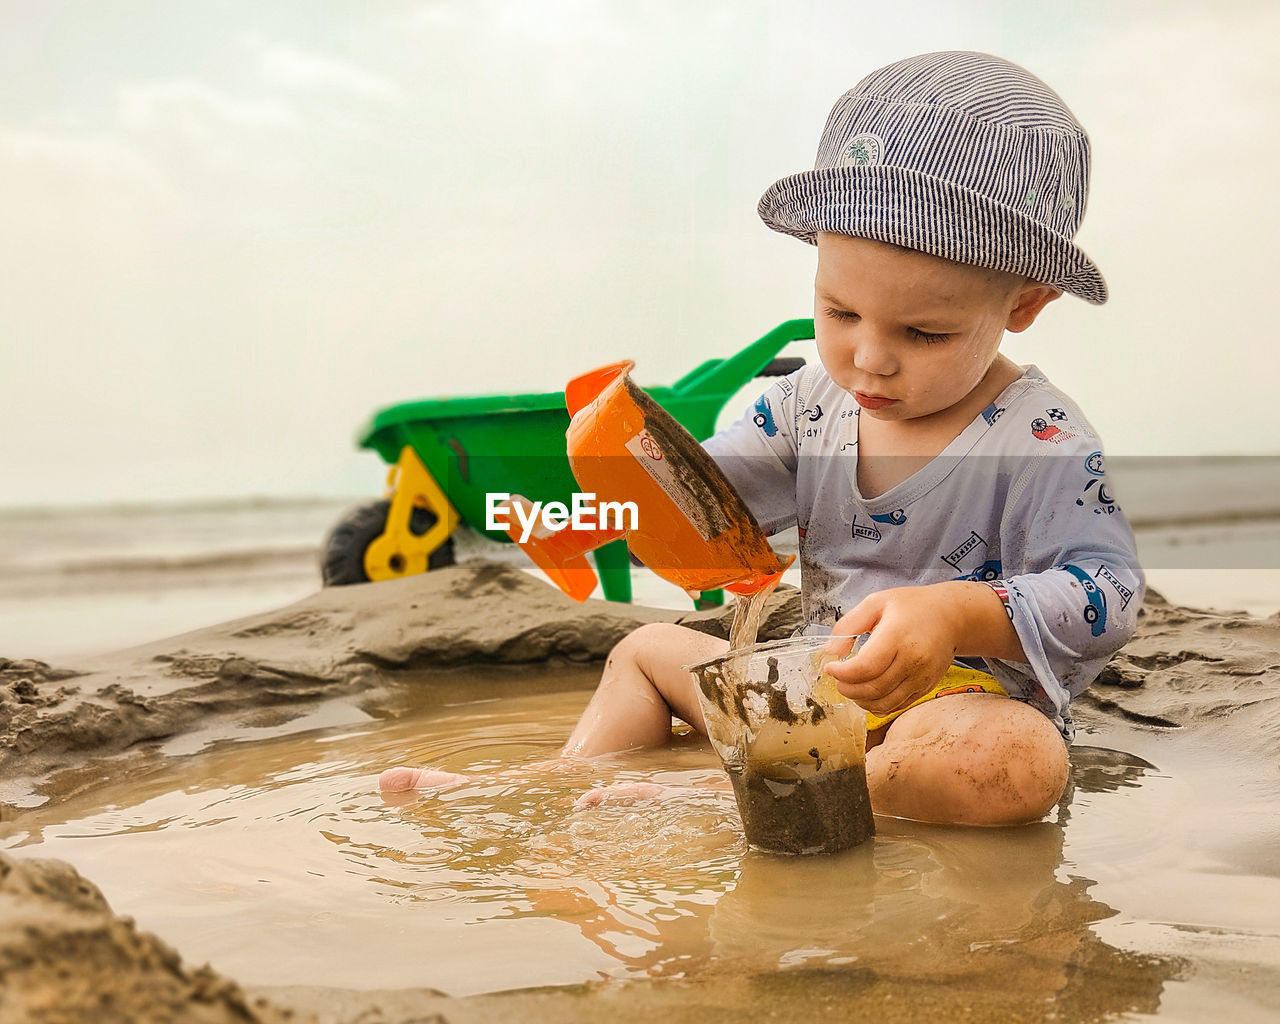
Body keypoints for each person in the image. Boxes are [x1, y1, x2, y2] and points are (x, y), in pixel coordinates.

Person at [384, 51, 1144, 827]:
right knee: (645, 651)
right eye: (841, 313)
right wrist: (629, 485)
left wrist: (956, 613)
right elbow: (712, 504)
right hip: (806, 692)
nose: (869, 358)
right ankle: (553, 784)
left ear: (1025, 302)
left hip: (947, 707)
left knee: (1013, 765)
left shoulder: (1039, 436)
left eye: (923, 332)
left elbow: (1106, 594)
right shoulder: (809, 404)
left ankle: (737, 795)